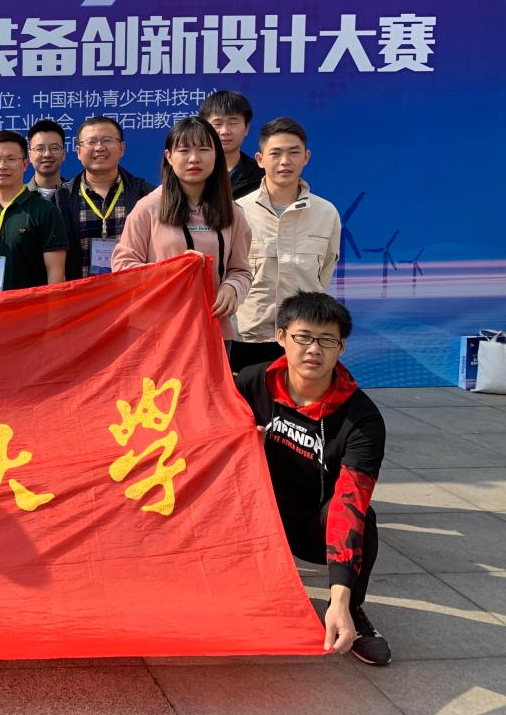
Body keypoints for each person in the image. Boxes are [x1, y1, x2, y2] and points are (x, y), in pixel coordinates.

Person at [234, 292, 390, 666]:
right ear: (281, 336)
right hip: (252, 517)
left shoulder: (362, 420)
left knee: (363, 519)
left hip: (309, 527)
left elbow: (350, 503)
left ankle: (350, 611)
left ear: (341, 347)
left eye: (326, 340)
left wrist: (339, 598)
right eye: (303, 337)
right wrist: (240, 441)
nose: (313, 349)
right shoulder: (252, 383)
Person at [111, 117, 252, 342]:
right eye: (184, 150)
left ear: (217, 155)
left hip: (212, 329)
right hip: (156, 332)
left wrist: (232, 288)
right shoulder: (147, 208)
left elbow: (241, 270)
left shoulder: (233, 212)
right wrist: (174, 269)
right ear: (169, 156)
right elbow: (122, 268)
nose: (194, 158)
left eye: (203, 149)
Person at [232, 118, 342, 372]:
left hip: (304, 338)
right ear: (260, 159)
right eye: (276, 153)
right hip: (248, 338)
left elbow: (325, 271)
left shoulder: (326, 213)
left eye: (294, 153)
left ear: (306, 157)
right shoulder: (238, 212)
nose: (285, 161)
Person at [0, 130, 68, 294]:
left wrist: (53, 310)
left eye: (11, 159)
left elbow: (56, 273)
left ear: (25, 164)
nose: (2, 166)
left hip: (29, 308)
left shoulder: (46, 211)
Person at [58, 116, 153, 279]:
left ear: (122, 148)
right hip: (81, 292)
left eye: (107, 140)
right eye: (91, 142)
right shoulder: (60, 199)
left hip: (132, 291)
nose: (99, 148)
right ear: (78, 152)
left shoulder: (145, 195)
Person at [200, 90, 263, 199]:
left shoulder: (262, 175)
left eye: (233, 123)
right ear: (204, 128)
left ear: (246, 128)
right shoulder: (193, 170)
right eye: (217, 124)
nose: (225, 131)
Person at [25, 119, 68, 201]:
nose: (47, 154)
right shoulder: (18, 197)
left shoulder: (77, 196)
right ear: (30, 155)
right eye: (39, 149)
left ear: (64, 154)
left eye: (54, 148)